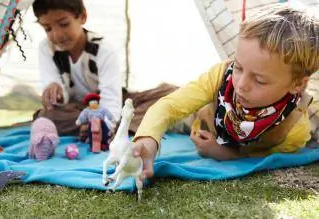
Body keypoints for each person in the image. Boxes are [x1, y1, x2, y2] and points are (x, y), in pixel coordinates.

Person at [131, 4, 319, 181]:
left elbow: (267, 156)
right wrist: (148, 139)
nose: (241, 85)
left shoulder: (295, 130)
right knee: (138, 109)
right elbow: (170, 106)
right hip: (198, 117)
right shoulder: (220, 76)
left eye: (259, 80)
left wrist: (226, 154)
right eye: (238, 67)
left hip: (225, 140)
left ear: (297, 85)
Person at [32, 0, 122, 137]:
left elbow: (111, 99)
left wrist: (104, 125)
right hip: (74, 109)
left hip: (103, 106)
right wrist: (55, 92)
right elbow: (56, 90)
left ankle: (94, 128)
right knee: (44, 116)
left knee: (145, 107)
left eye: (64, 24)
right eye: (48, 29)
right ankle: (87, 127)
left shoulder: (103, 49)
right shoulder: (46, 48)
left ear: (82, 16)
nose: (57, 35)